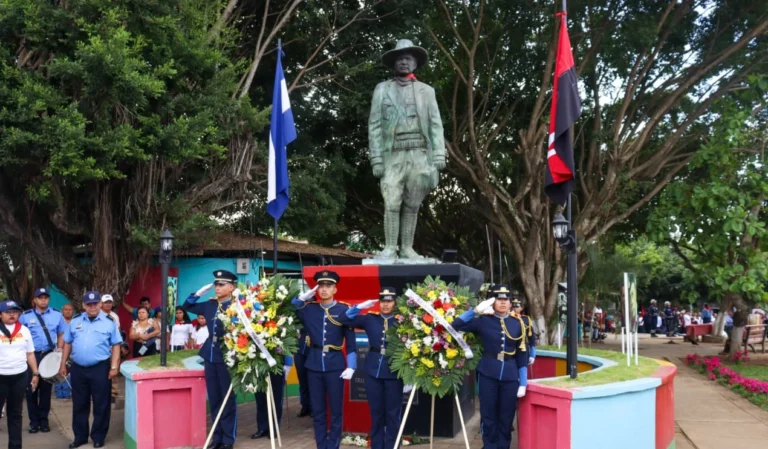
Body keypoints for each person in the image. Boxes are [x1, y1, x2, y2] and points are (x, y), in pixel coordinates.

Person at [368, 39, 447, 261]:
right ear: (394, 63)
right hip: (392, 154)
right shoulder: (382, 89)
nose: (404, 62)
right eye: (400, 58)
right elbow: (374, 125)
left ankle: (407, 248)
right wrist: (376, 159)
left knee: (412, 203)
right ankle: (390, 248)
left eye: (408, 58)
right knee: (391, 201)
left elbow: (435, 124)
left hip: (420, 154)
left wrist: (439, 153)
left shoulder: (426, 91)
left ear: (415, 63)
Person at [452, 285, 528, 449]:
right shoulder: (483, 321)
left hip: (509, 375)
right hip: (488, 373)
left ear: (509, 303)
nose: (503, 303)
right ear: (492, 302)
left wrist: (523, 382)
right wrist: (475, 310)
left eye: (505, 299)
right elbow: (455, 324)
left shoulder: (517, 323)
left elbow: (522, 354)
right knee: (488, 417)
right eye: (498, 299)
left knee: (506, 418)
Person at [291, 270, 357, 449]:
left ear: (335, 289)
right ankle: (321, 445)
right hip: (313, 365)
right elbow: (289, 309)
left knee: (335, 411)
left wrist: (351, 365)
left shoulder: (343, 310)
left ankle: (333, 445)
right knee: (318, 411)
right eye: (321, 286)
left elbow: (350, 342)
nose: (324, 289)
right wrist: (302, 298)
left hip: (335, 365)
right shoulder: (309, 309)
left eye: (329, 286)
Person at [339, 287, 404, 449]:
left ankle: (392, 445)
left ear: (395, 302)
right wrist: (360, 307)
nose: (385, 305)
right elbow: (344, 319)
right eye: (383, 301)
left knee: (393, 414)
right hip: (373, 370)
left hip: (394, 371)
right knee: (376, 413)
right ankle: (376, 445)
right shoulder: (370, 318)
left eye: (389, 301)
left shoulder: (403, 320)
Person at [183, 270, 238, 449]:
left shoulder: (238, 306)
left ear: (231, 287)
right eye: (216, 284)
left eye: (221, 285)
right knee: (214, 398)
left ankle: (228, 439)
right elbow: (187, 307)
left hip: (228, 355)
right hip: (210, 354)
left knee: (227, 399)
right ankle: (217, 436)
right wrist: (198, 294)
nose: (217, 288)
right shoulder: (209, 305)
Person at [59, 291, 122, 448]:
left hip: (100, 368)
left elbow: (116, 345)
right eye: (89, 304)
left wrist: (114, 366)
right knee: (79, 403)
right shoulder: (75, 321)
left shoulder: (109, 322)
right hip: (78, 368)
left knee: (101, 403)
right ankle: (80, 437)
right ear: (83, 305)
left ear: (100, 304)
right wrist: (63, 364)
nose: (92, 307)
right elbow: (67, 343)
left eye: (95, 304)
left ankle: (98, 436)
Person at [18, 287, 65, 434]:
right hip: (31, 356)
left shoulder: (57, 315)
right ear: (35, 300)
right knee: (31, 389)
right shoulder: (25, 317)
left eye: (46, 297)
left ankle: (44, 421)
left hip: (49, 355)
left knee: (46, 391)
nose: (43, 300)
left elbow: (61, 334)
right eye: (40, 297)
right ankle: (33, 422)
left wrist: (59, 350)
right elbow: (20, 337)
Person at [0, 300, 41, 449]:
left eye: (15, 312)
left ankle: (15, 446)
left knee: (15, 414)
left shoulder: (24, 330)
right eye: (8, 312)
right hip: (1, 377)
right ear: (1, 314)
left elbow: (30, 354)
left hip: (19, 377)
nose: (12, 315)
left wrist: (35, 373)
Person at [251, 357, 293, 439]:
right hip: (259, 363)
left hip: (277, 365)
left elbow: (288, 347)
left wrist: (288, 364)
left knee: (276, 399)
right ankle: (262, 428)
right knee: (260, 398)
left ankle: (274, 428)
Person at [101, 295, 121, 403]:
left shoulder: (115, 316)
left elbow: (118, 331)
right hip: (101, 349)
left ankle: (113, 393)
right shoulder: (98, 315)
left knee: (113, 371)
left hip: (112, 349)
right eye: (105, 302)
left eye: (109, 302)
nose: (108, 304)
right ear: (101, 303)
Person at [511, 291, 536, 364]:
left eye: (517, 306)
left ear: (522, 307)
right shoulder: (507, 318)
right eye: (513, 306)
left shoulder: (526, 319)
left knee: (522, 372)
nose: (514, 308)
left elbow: (531, 338)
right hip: (510, 351)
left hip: (522, 350)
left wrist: (532, 354)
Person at [294, 326, 312, 418]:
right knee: (302, 379)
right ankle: (305, 406)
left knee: (312, 380)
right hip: (299, 349)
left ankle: (313, 407)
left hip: (313, 349)